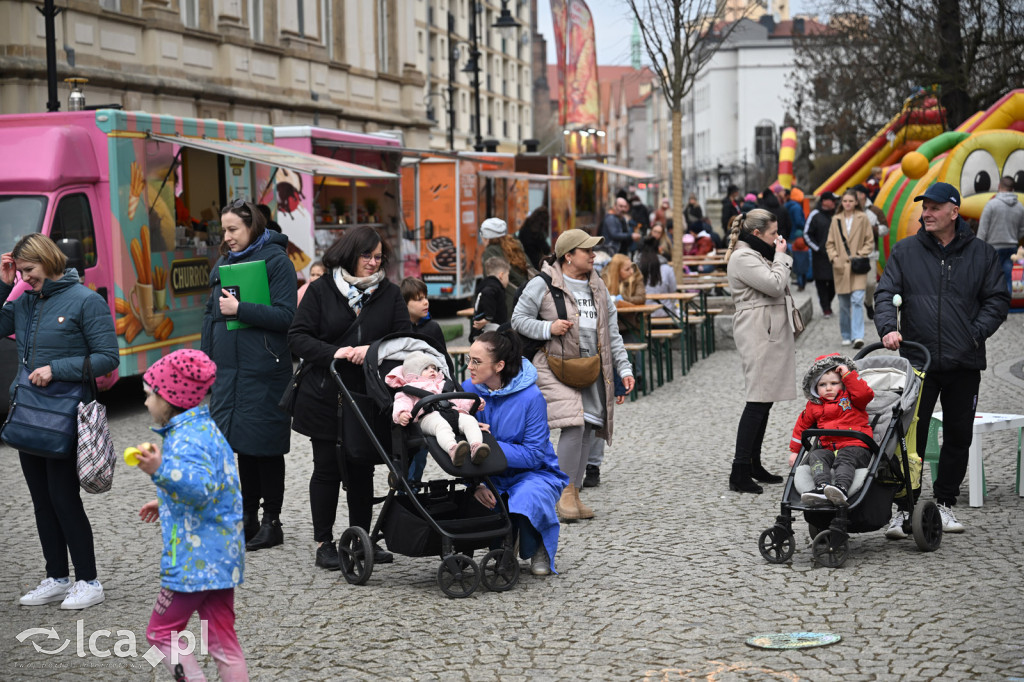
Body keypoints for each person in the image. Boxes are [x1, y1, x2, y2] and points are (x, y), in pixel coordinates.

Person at [874, 182, 1010, 535]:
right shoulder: (905, 251)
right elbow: (885, 292)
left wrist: (974, 333)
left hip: (964, 361)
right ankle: (904, 509)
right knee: (909, 439)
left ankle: (945, 504)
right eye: (925, 207)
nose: (926, 213)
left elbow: (997, 300)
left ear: (954, 211)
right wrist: (888, 327)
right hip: (919, 362)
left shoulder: (981, 254)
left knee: (958, 436)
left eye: (934, 207)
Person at [1, 234, 118, 610]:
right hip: (30, 413)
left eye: (29, 270)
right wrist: (5, 285)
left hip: (66, 414)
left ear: (48, 261)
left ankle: (88, 580)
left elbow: (107, 357)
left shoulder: (86, 300)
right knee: (40, 501)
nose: (25, 277)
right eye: (20, 272)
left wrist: (56, 369)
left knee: (63, 498)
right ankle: (56, 576)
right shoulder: (23, 301)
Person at [288, 225, 411, 570]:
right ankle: (323, 541)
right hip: (324, 393)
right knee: (326, 468)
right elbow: (298, 337)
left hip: (368, 394)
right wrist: (338, 352)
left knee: (362, 466)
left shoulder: (390, 293)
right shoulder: (321, 290)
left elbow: (404, 339)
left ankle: (362, 538)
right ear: (349, 255)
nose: (373, 263)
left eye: (378, 257)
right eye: (366, 256)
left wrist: (371, 350)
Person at [133, 350, 249, 681]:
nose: (145, 404)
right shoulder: (205, 428)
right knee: (223, 640)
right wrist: (166, 500)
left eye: (148, 396)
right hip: (221, 557)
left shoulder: (186, 440)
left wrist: (160, 472)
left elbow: (199, 488)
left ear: (168, 397)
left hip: (193, 563)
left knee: (160, 633)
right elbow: (217, 486)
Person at [511, 229, 635, 521]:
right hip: (553, 365)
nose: (594, 256)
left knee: (589, 426)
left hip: (591, 366)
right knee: (575, 423)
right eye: (587, 251)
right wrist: (547, 328)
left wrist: (624, 368)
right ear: (568, 256)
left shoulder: (598, 287)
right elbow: (517, 320)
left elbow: (612, 333)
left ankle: (575, 493)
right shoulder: (542, 283)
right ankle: (564, 494)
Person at [202, 199, 296, 552]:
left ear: (252, 227)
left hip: (264, 371)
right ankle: (247, 519)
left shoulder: (277, 261)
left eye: (233, 230)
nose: (226, 237)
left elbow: (288, 317)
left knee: (267, 448)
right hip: (230, 373)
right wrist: (206, 362)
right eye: (223, 230)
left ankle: (272, 522)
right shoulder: (224, 263)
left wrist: (242, 309)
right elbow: (211, 316)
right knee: (242, 448)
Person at [462, 329, 570, 576]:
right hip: (489, 473)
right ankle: (505, 546)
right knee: (476, 501)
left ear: (499, 365)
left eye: (476, 361)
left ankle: (539, 544)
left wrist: (488, 446)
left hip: (534, 473)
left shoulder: (532, 397)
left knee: (527, 496)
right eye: (469, 359)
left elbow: (533, 454)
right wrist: (476, 484)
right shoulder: (468, 389)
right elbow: (461, 444)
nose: (470, 366)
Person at [724, 209, 796, 494]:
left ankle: (753, 463)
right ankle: (739, 470)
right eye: (772, 233)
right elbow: (776, 285)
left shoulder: (755, 253)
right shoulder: (743, 257)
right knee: (757, 399)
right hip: (757, 329)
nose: (778, 238)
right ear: (756, 234)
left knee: (765, 400)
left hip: (765, 327)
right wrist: (781, 255)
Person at [788, 354, 874, 507]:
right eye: (822, 385)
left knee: (845, 456)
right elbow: (801, 426)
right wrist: (795, 451)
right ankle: (822, 486)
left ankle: (841, 487)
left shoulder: (852, 398)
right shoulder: (814, 405)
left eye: (834, 383)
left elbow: (865, 394)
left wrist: (848, 375)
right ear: (814, 387)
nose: (828, 388)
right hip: (829, 448)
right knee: (816, 455)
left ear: (843, 384)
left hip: (856, 447)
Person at [387, 351, 488, 464]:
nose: (432, 370)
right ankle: (453, 450)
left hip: (452, 413)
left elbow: (458, 400)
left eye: (434, 368)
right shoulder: (410, 388)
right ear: (414, 374)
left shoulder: (444, 384)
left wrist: (473, 403)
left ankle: (476, 446)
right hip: (428, 417)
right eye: (426, 368)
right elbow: (402, 402)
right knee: (441, 426)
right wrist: (402, 413)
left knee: (470, 420)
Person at [825, 190, 873, 349]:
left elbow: (869, 241)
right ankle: (846, 334)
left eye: (851, 201)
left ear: (856, 202)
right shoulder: (836, 219)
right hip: (840, 267)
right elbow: (830, 243)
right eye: (845, 201)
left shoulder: (863, 218)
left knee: (858, 300)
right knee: (844, 303)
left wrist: (860, 254)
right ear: (842, 202)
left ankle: (858, 336)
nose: (847, 204)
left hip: (858, 266)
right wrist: (834, 258)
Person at [976, 175, 1024, 294]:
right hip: (1011, 247)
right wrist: (1014, 238)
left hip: (993, 248)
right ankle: (1005, 307)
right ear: (1012, 189)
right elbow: (1022, 229)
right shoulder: (1020, 207)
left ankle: (994, 308)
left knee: (991, 280)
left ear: (999, 186)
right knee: (1007, 278)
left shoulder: (991, 205)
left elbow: (983, 230)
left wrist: (978, 248)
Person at [852, 183, 889, 319]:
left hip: (871, 254)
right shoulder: (849, 209)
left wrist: (871, 228)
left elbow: (885, 229)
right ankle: (856, 315)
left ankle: (868, 302)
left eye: (855, 193)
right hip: (852, 254)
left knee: (871, 283)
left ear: (862, 195)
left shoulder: (875, 211)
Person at [480, 217, 531, 312]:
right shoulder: (515, 245)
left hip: (507, 303)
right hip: (525, 299)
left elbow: (490, 281)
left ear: (486, 237)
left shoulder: (490, 252)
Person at [806, 193, 838, 318]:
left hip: (835, 255)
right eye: (832, 200)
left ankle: (828, 304)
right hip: (820, 256)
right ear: (824, 201)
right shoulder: (814, 215)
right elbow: (807, 234)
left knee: (834, 283)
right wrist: (817, 248)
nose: (834, 203)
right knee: (821, 282)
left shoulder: (836, 214)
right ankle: (825, 308)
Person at [470, 257, 509, 342]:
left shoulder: (484, 284)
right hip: (491, 331)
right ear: (501, 275)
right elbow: (488, 293)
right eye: (507, 276)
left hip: (486, 331)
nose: (508, 280)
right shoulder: (493, 286)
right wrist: (488, 317)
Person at [400, 277, 445, 348]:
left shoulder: (433, 328)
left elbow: (442, 357)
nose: (426, 302)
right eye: (419, 299)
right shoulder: (398, 330)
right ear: (404, 304)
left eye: (426, 297)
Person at [638, 236, 678, 317]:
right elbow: (673, 290)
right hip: (665, 311)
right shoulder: (667, 269)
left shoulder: (635, 269)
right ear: (659, 250)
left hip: (641, 314)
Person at [518, 206, 552, 271]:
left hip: (523, 260)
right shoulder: (538, 233)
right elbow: (546, 249)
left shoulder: (525, 227)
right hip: (535, 263)